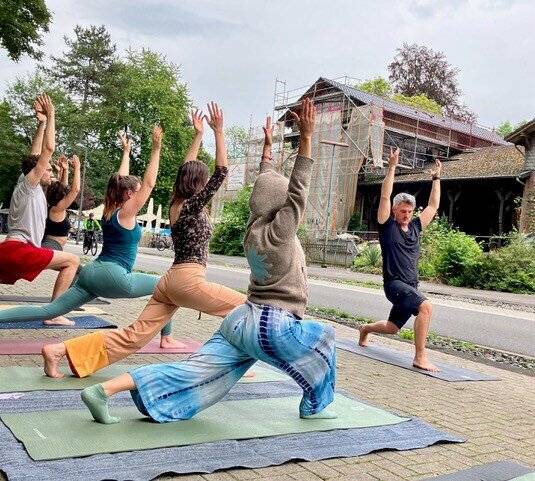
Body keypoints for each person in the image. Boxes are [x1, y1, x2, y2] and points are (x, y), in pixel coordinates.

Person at [80, 99, 337, 426]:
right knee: (325, 339)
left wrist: (267, 149)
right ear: (282, 207)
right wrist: (305, 139)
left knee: (190, 369)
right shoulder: (279, 232)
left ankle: (105, 390)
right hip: (265, 319)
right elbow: (295, 192)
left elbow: (264, 184)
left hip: (239, 321)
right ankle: (313, 405)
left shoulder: (249, 226)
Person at [41, 102, 246, 378]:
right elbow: (221, 172)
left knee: (133, 337)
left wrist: (198, 136)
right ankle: (231, 364)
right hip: (188, 280)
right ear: (199, 184)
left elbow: (186, 168)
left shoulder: (178, 203)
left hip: (170, 281)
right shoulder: (191, 206)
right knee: (247, 308)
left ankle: (58, 351)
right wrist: (218, 132)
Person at [0, 125, 180, 348]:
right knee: (167, 287)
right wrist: (156, 147)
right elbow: (149, 183)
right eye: (137, 189)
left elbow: (119, 181)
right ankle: (167, 338)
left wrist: (126, 153)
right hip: (114, 276)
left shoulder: (110, 209)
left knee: (47, 310)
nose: (140, 190)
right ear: (130, 194)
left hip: (92, 273)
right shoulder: (126, 213)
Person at [358, 147, 442, 372]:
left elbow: (433, 206)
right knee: (426, 308)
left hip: (411, 285)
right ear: (395, 210)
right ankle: (420, 357)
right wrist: (392, 167)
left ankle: (365, 328)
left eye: (410, 211)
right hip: (394, 284)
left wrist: (436, 178)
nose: (407, 215)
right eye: (403, 211)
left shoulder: (415, 227)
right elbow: (385, 195)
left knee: (393, 327)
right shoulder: (387, 226)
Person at [0, 95, 79, 325]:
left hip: (10, 249)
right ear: (36, 171)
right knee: (72, 261)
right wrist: (52, 114)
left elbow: (34, 155)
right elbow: (47, 150)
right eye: (48, 170)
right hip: (19, 249)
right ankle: (55, 314)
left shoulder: (28, 187)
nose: (50, 173)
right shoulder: (29, 183)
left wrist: (42, 123)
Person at [41, 154, 81, 251]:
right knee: (75, 264)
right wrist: (77, 168)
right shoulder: (57, 209)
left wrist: (65, 170)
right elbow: (74, 190)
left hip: (52, 246)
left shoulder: (53, 206)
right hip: (50, 247)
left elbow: (63, 187)